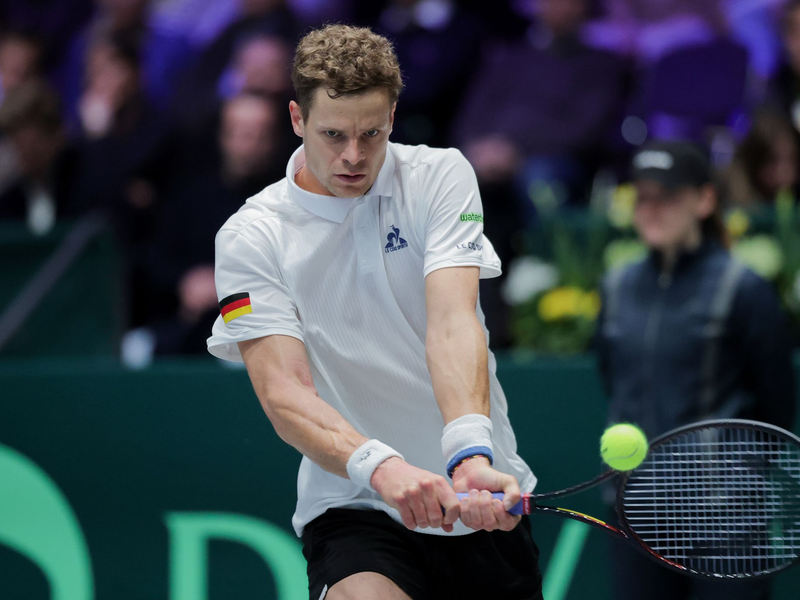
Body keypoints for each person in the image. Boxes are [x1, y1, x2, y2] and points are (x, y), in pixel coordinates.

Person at [207, 24, 542, 599]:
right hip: (354, 500)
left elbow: (453, 322)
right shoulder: (250, 237)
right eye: (333, 134)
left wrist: (469, 452)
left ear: (392, 116)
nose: (353, 156)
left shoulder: (441, 177)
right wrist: (380, 467)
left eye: (372, 133)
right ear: (297, 119)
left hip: (478, 495)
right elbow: (284, 392)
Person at [595, 140, 797, 600]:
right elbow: (612, 379)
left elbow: (776, 402)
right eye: (642, 197)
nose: (651, 209)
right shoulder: (616, 286)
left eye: (667, 196)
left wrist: (735, 478)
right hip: (636, 513)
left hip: (729, 520)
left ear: (704, 200)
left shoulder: (744, 289)